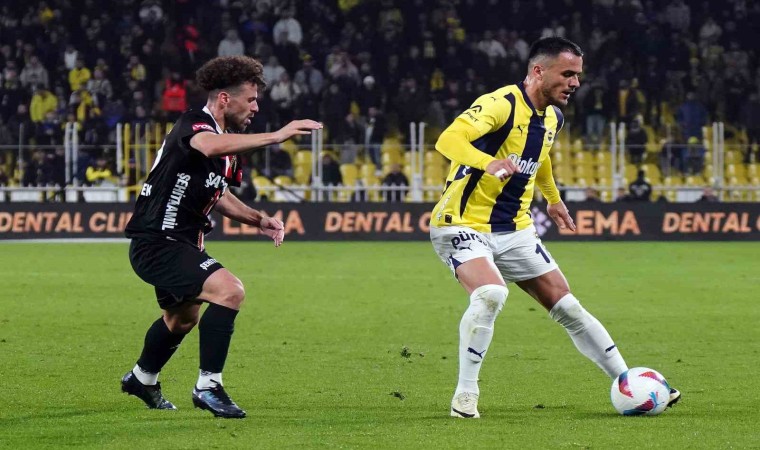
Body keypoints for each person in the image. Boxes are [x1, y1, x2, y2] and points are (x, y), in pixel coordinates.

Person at [428, 37, 680, 419]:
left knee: (569, 307)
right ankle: (465, 395)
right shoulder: (501, 104)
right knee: (491, 294)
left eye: (577, 75)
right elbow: (448, 139)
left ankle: (629, 383)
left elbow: (540, 155)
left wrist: (553, 197)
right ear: (538, 71)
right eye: (567, 74)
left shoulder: (553, 118)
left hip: (515, 228)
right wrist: (487, 162)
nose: (575, 83)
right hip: (461, 223)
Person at [122, 55, 322, 418]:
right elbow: (207, 146)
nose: (256, 107)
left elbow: (219, 194)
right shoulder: (194, 124)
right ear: (225, 99)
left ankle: (142, 378)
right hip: (157, 241)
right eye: (251, 99)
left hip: (183, 243)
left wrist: (259, 219)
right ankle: (208, 386)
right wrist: (277, 136)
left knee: (181, 319)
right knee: (230, 291)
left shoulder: (228, 146)